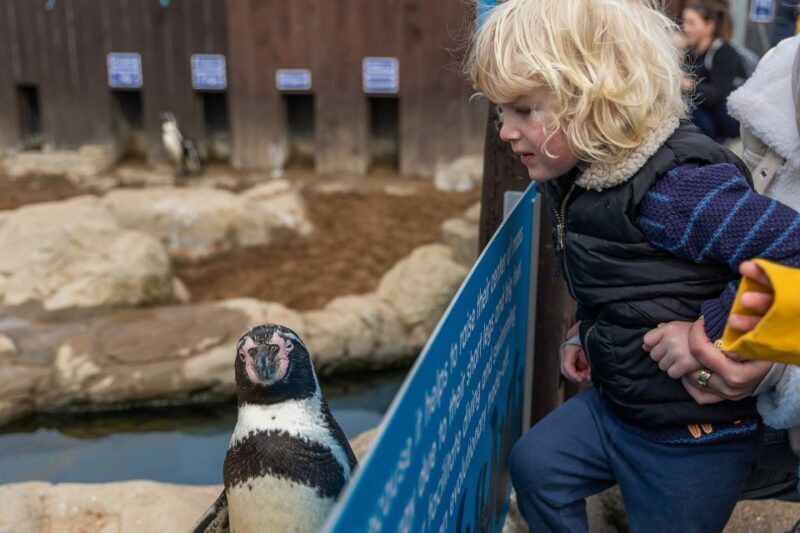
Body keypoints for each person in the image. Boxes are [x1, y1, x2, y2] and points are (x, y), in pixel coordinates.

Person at [464, 0, 800, 531]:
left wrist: (710, 329)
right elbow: (627, 278)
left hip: (692, 433)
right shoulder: (579, 175)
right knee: (537, 465)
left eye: (524, 110)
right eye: (501, 111)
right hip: (621, 406)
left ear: (597, 98)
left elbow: (791, 247)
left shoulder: (677, 188)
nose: (506, 130)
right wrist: (584, 331)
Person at [681, 1, 744, 141]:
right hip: (709, 116)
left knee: (687, 109)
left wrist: (690, 86)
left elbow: (718, 95)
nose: (685, 28)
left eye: (692, 23)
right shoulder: (691, 52)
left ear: (709, 26)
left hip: (729, 121)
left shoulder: (724, 52)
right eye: (684, 22)